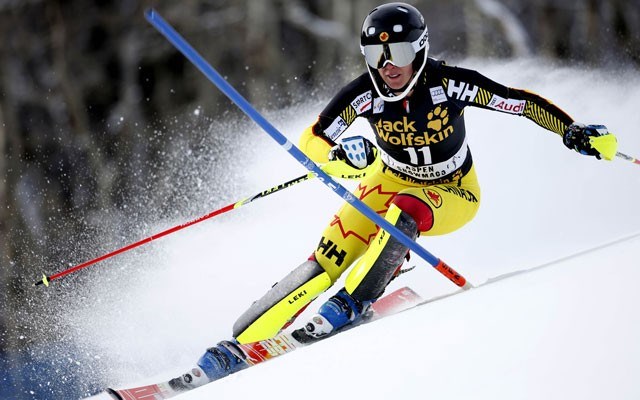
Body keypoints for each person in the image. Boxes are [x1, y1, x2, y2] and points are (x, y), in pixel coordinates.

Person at [171, 2, 617, 389]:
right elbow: (314, 138)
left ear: (420, 50)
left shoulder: (450, 84)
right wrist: (341, 155)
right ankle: (237, 344)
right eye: (376, 53)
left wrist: (571, 130)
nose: (388, 65)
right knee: (326, 259)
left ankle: (353, 301)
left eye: (399, 52)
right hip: (387, 177)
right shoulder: (364, 95)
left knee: (406, 211)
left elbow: (519, 101)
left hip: (452, 189)